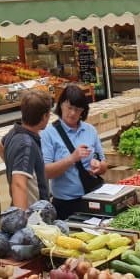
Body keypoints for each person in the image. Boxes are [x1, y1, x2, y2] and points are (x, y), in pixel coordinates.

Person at [41, 85, 108, 219]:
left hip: (92, 196)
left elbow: (104, 164)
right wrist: (72, 158)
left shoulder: (90, 130)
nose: (72, 113)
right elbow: (46, 172)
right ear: (61, 106)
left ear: (83, 111)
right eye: (69, 107)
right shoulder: (49, 134)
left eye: (77, 109)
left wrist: (98, 167)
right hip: (66, 203)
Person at [0, 90, 52, 211]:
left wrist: (11, 164)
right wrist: (22, 222)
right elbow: (18, 183)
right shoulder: (26, 145)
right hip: (33, 214)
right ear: (44, 116)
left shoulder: (14, 132)